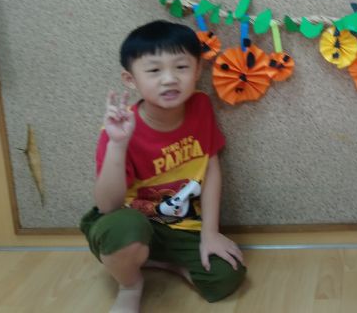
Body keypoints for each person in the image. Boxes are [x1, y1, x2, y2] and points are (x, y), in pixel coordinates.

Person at [79, 20, 245, 311]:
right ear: (131, 79)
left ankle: (160, 261)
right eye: (154, 71)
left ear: (197, 70)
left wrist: (210, 233)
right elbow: (107, 206)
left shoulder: (200, 106)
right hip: (129, 222)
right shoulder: (119, 128)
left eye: (181, 67)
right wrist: (118, 144)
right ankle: (130, 284)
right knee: (121, 230)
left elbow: (211, 168)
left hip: (182, 225)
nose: (169, 79)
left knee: (226, 276)